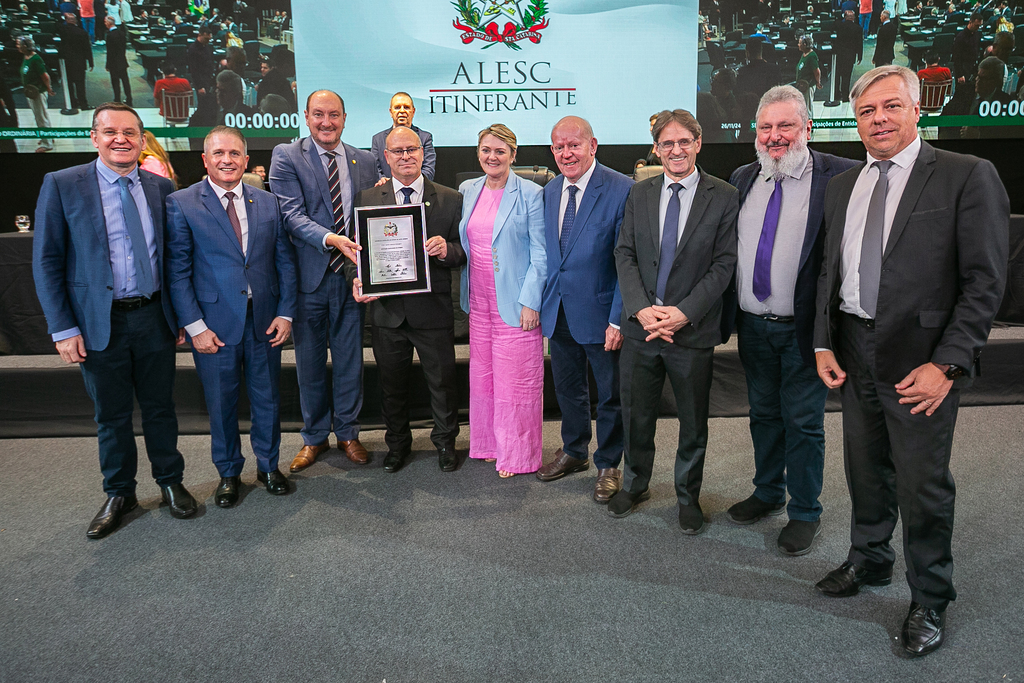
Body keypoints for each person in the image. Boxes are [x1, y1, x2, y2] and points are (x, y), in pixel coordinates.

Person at [813, 65, 1008, 656]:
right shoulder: (844, 184)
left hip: (920, 361)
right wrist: (823, 340)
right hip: (851, 350)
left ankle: (930, 596)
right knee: (865, 471)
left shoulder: (966, 175)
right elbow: (831, 270)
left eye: (891, 107)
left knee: (923, 484)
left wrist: (947, 364)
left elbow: (984, 282)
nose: (879, 119)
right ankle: (870, 560)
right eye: (867, 111)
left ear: (917, 110)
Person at [32, 103, 196, 539]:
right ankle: (119, 492)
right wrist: (63, 328)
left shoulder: (161, 189)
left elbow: (174, 258)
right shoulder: (63, 184)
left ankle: (170, 481)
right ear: (94, 137)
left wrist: (179, 315)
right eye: (110, 132)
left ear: (143, 140)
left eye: (130, 132)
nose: (120, 139)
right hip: (97, 324)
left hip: (154, 317)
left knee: (161, 408)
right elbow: (47, 261)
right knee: (112, 415)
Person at [722, 86, 858, 555]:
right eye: (765, 127)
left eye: (785, 126)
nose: (774, 136)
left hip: (806, 331)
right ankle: (767, 492)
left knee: (802, 422)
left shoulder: (841, 176)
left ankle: (804, 511)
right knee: (762, 414)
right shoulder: (743, 177)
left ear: (808, 128)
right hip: (753, 325)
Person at [608, 109, 738, 532]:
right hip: (641, 328)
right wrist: (641, 308)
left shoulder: (723, 195)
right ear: (656, 149)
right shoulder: (639, 194)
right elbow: (623, 253)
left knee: (692, 421)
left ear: (698, 144)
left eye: (684, 141)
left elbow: (724, 264)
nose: (676, 150)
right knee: (636, 414)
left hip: (692, 330)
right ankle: (636, 483)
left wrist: (683, 313)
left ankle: (688, 495)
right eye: (667, 143)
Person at [166, 126, 298, 507]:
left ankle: (269, 466)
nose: (228, 160)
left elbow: (284, 264)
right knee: (221, 404)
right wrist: (195, 328)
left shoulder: (267, 201)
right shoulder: (182, 202)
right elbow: (177, 271)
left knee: (268, 399)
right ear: (205, 160)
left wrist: (286, 313)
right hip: (213, 327)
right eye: (219, 154)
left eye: (235, 154)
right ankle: (228, 473)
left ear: (245, 159)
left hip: (264, 320)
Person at [269, 90, 378, 471]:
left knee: (350, 362)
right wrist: (332, 239)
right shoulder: (286, 156)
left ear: (345, 118)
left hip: (353, 280)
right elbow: (290, 216)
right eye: (318, 114)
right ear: (306, 116)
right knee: (310, 364)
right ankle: (314, 437)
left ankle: (348, 433)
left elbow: (375, 214)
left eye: (333, 115)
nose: (326, 122)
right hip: (309, 280)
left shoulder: (365, 160)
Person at [349, 126, 466, 473]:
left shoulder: (450, 198)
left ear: (422, 153)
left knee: (443, 384)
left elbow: (464, 251)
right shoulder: (367, 198)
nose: (405, 156)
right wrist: (357, 279)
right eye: (397, 151)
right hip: (387, 313)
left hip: (433, 310)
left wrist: (448, 250)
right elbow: (355, 252)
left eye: (411, 149)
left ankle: (445, 443)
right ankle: (397, 445)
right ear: (386, 157)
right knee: (392, 386)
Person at [536, 116, 634, 502]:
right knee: (568, 388)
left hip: (602, 314)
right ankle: (574, 450)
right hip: (558, 311)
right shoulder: (549, 190)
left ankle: (609, 462)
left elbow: (629, 261)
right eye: (558, 147)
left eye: (573, 145)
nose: (566, 153)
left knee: (610, 393)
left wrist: (618, 317)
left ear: (593, 145)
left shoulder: (622, 189)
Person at [458, 124, 546, 478]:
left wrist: (532, 301)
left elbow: (541, 254)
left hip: (516, 302)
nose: (491, 157)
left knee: (517, 383)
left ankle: (518, 454)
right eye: (485, 150)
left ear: (513, 154)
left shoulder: (531, 194)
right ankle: (489, 445)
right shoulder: (468, 189)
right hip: (478, 302)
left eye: (499, 151)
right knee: (483, 379)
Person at [370, 92, 437, 181]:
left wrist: (407, 184)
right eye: (397, 107)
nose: (402, 111)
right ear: (391, 112)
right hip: (387, 191)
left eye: (406, 107)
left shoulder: (425, 138)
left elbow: (429, 171)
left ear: (413, 112)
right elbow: (374, 170)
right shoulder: (378, 139)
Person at [18, 37, 54, 153]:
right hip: (31, 92)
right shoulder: (26, 57)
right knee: (41, 116)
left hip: (38, 92)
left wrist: (49, 88)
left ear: (25, 46)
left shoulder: (36, 59)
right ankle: (49, 136)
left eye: (19, 44)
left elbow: (45, 76)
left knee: (41, 118)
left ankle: (47, 143)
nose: (17, 46)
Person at [59, 13, 93, 110]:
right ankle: (83, 104)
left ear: (66, 21)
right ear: (75, 21)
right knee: (80, 84)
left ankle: (72, 102)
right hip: (79, 62)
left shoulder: (63, 30)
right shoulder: (82, 33)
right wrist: (90, 62)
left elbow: (58, 24)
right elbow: (87, 48)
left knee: (69, 84)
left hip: (67, 62)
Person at [836, 10, 864, 101]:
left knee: (837, 75)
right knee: (846, 76)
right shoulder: (858, 28)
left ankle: (836, 93)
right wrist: (860, 56)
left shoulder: (840, 26)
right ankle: (845, 95)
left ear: (845, 17)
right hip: (850, 55)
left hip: (839, 54)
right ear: (854, 18)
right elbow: (859, 43)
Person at [103, 16, 131, 106]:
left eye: (105, 22)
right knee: (125, 82)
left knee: (115, 83)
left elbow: (110, 52)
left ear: (108, 23)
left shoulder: (109, 36)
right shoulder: (122, 34)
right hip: (122, 61)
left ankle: (117, 99)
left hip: (114, 64)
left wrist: (107, 64)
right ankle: (129, 99)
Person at [952, 12, 982, 87]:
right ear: (970, 22)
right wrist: (960, 74)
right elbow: (956, 57)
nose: (978, 28)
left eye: (979, 26)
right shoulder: (960, 37)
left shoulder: (977, 34)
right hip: (963, 69)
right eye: (976, 25)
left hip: (973, 68)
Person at [188, 26, 216, 96]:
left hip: (209, 78)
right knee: (203, 103)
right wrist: (200, 86)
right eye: (206, 39)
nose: (208, 41)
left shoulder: (207, 47)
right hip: (201, 80)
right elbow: (194, 69)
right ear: (200, 35)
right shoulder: (193, 49)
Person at [796, 36, 821, 113]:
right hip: (802, 85)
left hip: (808, 85)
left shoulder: (812, 56)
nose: (798, 45)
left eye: (799, 43)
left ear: (804, 44)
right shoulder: (804, 54)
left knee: (808, 107)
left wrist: (818, 82)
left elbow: (817, 71)